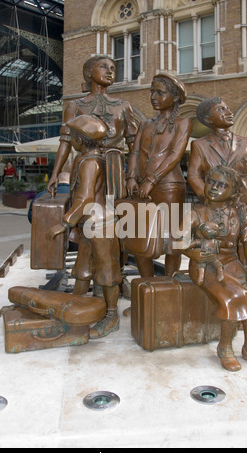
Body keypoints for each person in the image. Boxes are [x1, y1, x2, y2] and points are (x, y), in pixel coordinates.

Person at [180, 165, 247, 373]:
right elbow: (178, 242)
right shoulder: (195, 213)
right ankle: (224, 347)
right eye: (211, 182)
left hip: (232, 263)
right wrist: (193, 253)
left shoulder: (239, 214)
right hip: (205, 265)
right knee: (234, 295)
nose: (214, 187)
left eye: (222, 185)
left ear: (232, 192)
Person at [46, 114, 122, 339]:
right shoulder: (86, 158)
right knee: (83, 270)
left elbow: (86, 197)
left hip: (101, 224)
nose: (71, 140)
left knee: (108, 274)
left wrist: (64, 222)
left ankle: (111, 316)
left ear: (81, 139)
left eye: (73, 136)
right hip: (90, 223)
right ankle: (73, 311)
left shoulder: (90, 163)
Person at [126, 72, 193, 277]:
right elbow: (135, 151)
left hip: (169, 187)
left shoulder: (183, 123)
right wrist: (131, 176)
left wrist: (152, 179)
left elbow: (175, 155)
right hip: (141, 186)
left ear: (175, 97)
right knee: (140, 236)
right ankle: (147, 284)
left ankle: (171, 287)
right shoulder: (145, 124)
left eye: (160, 93)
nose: (154, 97)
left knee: (173, 240)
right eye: (152, 92)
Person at [47, 55, 138, 199]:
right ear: (88, 72)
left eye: (113, 69)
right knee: (84, 208)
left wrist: (133, 176)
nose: (110, 71)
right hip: (84, 165)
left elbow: (134, 146)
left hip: (114, 167)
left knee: (113, 211)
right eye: (103, 67)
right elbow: (65, 142)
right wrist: (55, 175)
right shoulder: (74, 105)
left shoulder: (123, 106)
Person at [187, 97, 247, 230]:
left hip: (243, 206)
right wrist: (207, 198)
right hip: (215, 208)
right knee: (216, 245)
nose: (229, 112)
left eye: (228, 108)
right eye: (221, 109)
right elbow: (193, 175)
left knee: (246, 245)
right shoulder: (200, 145)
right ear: (208, 119)